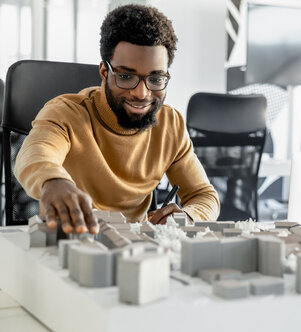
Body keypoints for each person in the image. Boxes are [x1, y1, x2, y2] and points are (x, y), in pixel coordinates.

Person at [14, 5, 219, 235]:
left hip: (137, 250)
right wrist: (53, 181)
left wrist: (189, 216)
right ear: (104, 72)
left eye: (155, 78)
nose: (142, 93)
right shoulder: (65, 112)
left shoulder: (170, 124)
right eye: (125, 76)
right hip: (74, 241)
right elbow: (34, 152)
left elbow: (205, 196)